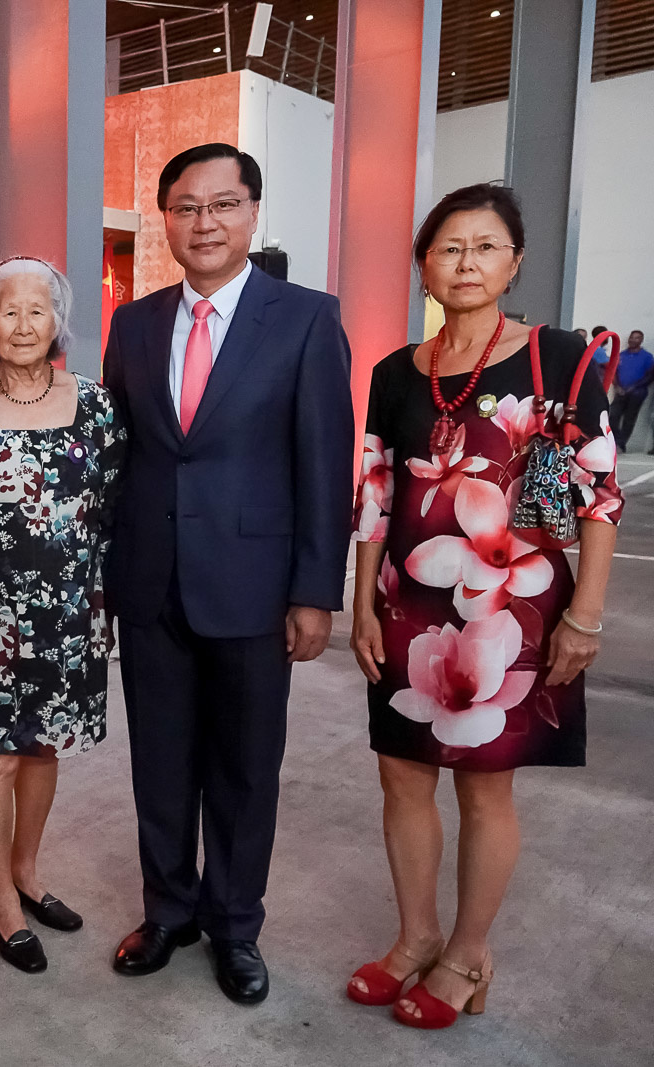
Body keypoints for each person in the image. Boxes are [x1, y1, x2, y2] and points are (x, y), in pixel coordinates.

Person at [348, 183, 623, 1030]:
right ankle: (414, 936)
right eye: (448, 248)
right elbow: (377, 490)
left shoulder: (560, 356)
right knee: (401, 775)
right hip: (407, 597)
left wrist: (586, 617)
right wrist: (362, 602)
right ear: (423, 265)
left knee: (484, 786)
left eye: (485, 246)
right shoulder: (397, 371)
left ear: (515, 261)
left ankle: (468, 952)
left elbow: (601, 496)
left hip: (516, 607)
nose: (466, 263)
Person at [103, 143, 354, 1004]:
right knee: (160, 761)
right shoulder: (132, 325)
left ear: (252, 213)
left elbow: (325, 464)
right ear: (164, 218)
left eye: (221, 205)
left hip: (255, 587)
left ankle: (235, 925)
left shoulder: (307, 319)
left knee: (246, 769)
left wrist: (316, 591)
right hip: (150, 584)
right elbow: (122, 459)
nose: (202, 222)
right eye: (184, 206)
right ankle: (168, 910)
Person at [0, 257, 124, 973]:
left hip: (69, 608)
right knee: (0, 753)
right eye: (6, 310)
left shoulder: (98, 405)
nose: (21, 324)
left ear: (57, 321)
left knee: (46, 746)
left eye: (36, 310)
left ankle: (29, 870)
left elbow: (109, 501)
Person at [607, 329, 649, 451]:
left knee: (629, 419)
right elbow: (613, 372)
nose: (633, 340)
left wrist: (634, 387)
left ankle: (621, 444)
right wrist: (617, 386)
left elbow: (650, 375)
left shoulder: (646, 357)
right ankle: (615, 441)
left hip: (637, 393)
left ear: (641, 340)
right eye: (632, 337)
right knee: (613, 416)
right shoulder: (622, 355)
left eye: (636, 338)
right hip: (621, 391)